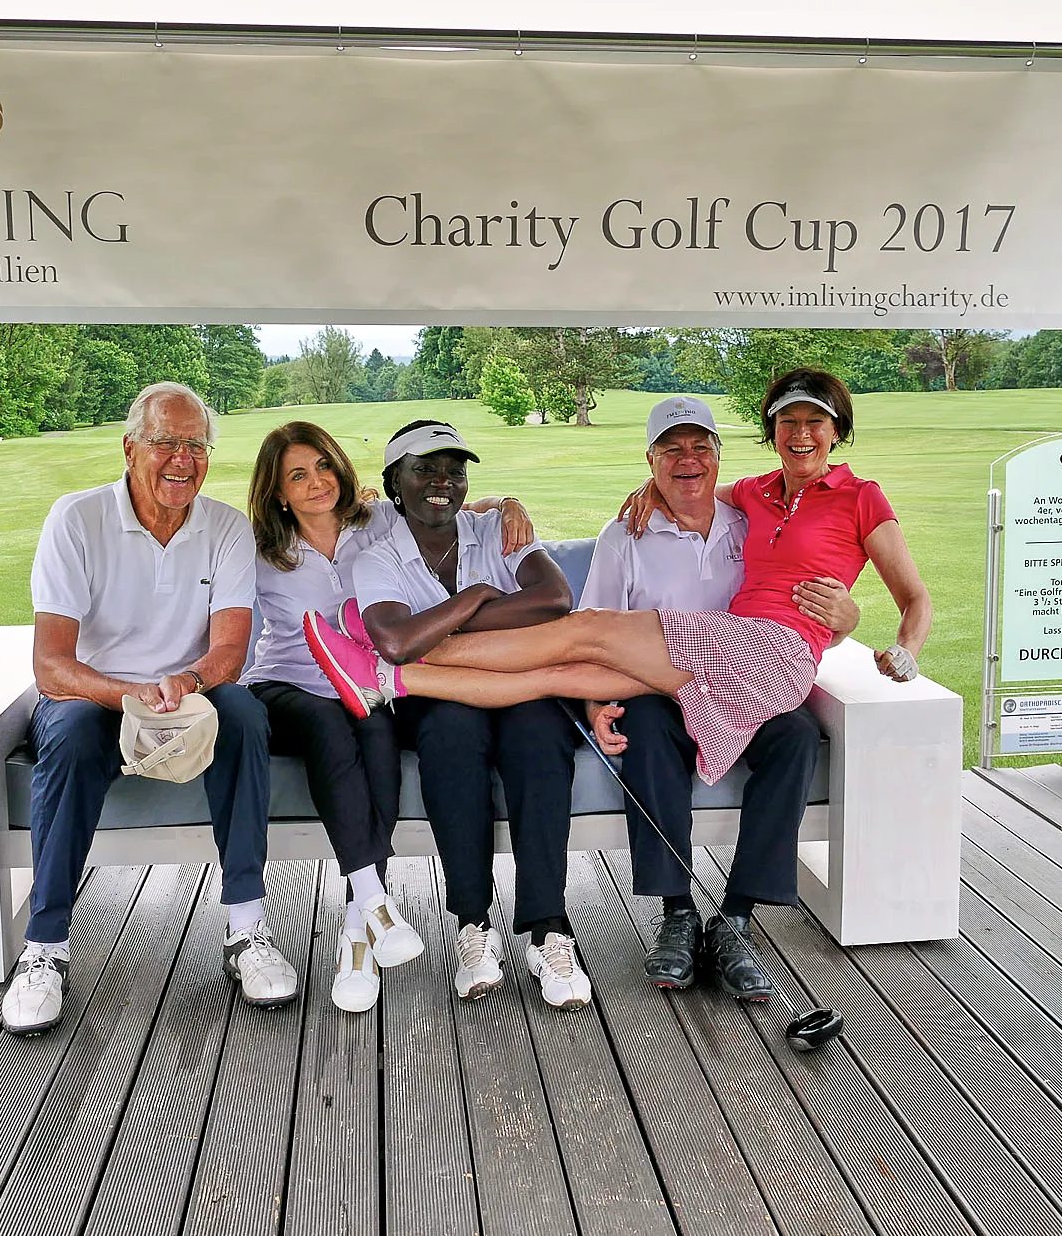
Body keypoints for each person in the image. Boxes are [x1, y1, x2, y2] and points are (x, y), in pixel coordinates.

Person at [305, 368, 930, 886]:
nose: (801, 433)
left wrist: (884, 638)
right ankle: (392, 680)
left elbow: (908, 597)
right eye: (788, 421)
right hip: (719, 661)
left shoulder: (852, 497)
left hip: (771, 656)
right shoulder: (757, 495)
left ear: (837, 430)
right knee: (560, 671)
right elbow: (695, 489)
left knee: (585, 632)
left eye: (816, 421)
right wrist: (506, 500)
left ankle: (395, 660)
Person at [2, 381, 297, 1037]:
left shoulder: (225, 527)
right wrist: (128, 694)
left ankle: (247, 930)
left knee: (245, 716)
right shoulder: (76, 520)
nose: (182, 459)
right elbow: (51, 666)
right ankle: (45, 948)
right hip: (95, 696)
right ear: (130, 447)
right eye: (166, 442)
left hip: (190, 695)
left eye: (197, 445)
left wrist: (185, 682)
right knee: (72, 731)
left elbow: (231, 649)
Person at [239, 420, 535, 1014]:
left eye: (324, 466)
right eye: (297, 475)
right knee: (330, 725)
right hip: (288, 683)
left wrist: (507, 503)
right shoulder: (259, 551)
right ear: (278, 492)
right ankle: (373, 898)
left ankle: (358, 929)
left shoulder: (376, 521)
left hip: (370, 685)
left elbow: (450, 512)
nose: (317, 482)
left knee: (375, 734)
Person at [580, 395, 863, 1001]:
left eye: (699, 447)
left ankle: (736, 917)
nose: (687, 460)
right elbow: (592, 631)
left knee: (794, 735)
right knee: (645, 728)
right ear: (650, 461)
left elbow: (803, 618)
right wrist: (594, 705)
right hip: (659, 687)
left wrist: (849, 619)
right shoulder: (624, 535)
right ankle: (678, 912)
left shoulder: (752, 522)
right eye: (671, 450)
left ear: (718, 455)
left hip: (744, 688)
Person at [335, 419, 592, 1010]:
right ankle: (473, 924)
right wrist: (477, 597)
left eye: (454, 470)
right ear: (394, 483)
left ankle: (548, 928)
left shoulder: (496, 528)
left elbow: (554, 599)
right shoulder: (377, 559)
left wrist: (441, 625)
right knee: (451, 734)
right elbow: (396, 643)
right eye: (424, 469)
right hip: (439, 697)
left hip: (519, 686)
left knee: (540, 733)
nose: (442, 482)